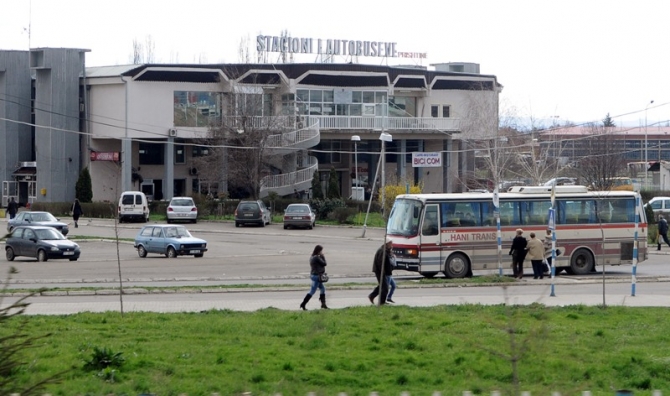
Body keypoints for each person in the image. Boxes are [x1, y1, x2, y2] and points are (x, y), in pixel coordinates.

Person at [299, 245, 328, 310]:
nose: (322, 252)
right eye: (321, 251)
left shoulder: (312, 257)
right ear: (318, 251)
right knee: (312, 291)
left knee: (322, 289)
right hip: (317, 276)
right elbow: (324, 264)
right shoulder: (316, 258)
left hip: (314, 275)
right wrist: (323, 257)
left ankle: (323, 304)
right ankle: (303, 304)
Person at [368, 238, 394, 305]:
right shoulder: (382, 251)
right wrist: (383, 272)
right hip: (380, 271)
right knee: (385, 287)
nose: (392, 244)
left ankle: (372, 296)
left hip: (382, 271)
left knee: (382, 285)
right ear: (387, 243)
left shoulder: (385, 250)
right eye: (391, 243)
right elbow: (380, 263)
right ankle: (381, 302)